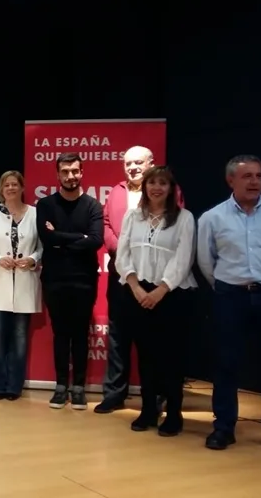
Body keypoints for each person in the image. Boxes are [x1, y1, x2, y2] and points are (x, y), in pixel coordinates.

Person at [197, 155, 261, 457]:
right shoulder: (212, 217)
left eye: (259, 176)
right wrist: (227, 284)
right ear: (231, 180)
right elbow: (206, 261)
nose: (255, 181)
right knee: (226, 362)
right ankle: (224, 427)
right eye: (247, 177)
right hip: (230, 297)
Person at [98, 145, 183, 414]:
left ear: (151, 163)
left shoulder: (170, 191)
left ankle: (157, 394)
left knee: (156, 339)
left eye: (138, 163)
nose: (133, 167)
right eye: (128, 164)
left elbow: (176, 226)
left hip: (156, 279)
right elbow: (107, 225)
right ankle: (114, 393)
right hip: (122, 276)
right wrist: (120, 247)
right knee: (118, 336)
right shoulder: (116, 192)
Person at [114, 166, 196, 436]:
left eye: (163, 183)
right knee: (145, 356)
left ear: (171, 189)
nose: (156, 188)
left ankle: (173, 413)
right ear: (145, 187)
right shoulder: (132, 216)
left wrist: (161, 290)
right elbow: (122, 255)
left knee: (172, 357)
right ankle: (148, 409)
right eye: (152, 183)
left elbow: (183, 258)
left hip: (171, 295)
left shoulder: (184, 218)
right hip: (137, 293)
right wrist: (136, 287)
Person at [35, 152, 103, 410]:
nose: (70, 176)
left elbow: (96, 240)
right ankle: (61, 385)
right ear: (57, 175)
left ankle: (79, 388)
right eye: (65, 172)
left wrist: (61, 240)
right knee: (61, 333)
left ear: (81, 172)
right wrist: (79, 238)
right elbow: (46, 238)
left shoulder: (93, 206)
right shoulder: (45, 205)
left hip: (84, 279)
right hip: (54, 279)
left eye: (74, 171)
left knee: (80, 334)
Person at [0, 171, 42, 401]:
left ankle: (15, 386)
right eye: (7, 185)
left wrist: (33, 258)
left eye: (15, 184)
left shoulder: (34, 213)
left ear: (22, 187)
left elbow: (43, 246)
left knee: (20, 339)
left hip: (24, 283)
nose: (11, 188)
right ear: (1, 189)